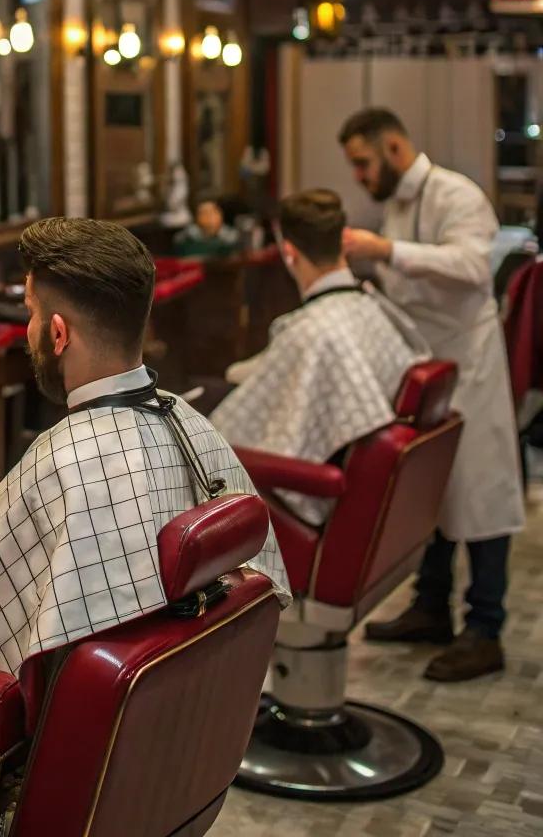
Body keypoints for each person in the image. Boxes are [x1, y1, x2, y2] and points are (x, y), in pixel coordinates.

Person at [0, 217, 289, 673]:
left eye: (31, 313)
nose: (29, 330)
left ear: (58, 334)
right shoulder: (190, 424)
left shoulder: (61, 462)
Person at [339, 107, 525, 682]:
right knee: (435, 489)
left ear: (394, 147)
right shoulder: (396, 204)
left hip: (470, 367)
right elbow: (409, 282)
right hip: (425, 364)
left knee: (479, 493)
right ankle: (430, 606)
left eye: (364, 164)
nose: (361, 178)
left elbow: (470, 267)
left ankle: (486, 627)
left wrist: (385, 252)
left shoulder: (457, 193)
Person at [209, 189, 429, 525]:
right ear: (343, 242)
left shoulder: (314, 332)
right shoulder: (371, 306)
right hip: (378, 504)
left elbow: (270, 446)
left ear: (288, 251)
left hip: (319, 509)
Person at [174, 197, 241, 260]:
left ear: (221, 214)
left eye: (213, 211)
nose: (210, 216)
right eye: (204, 212)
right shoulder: (184, 239)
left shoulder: (234, 237)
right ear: (196, 217)